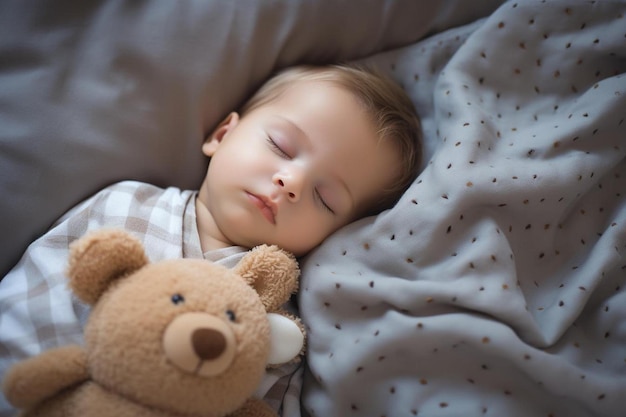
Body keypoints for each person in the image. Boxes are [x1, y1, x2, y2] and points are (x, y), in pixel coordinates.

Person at [0, 64, 422, 415]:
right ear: (222, 135)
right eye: (281, 145)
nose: (291, 182)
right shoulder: (127, 206)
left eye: (324, 199)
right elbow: (35, 298)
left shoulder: (279, 322)